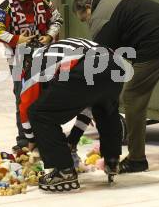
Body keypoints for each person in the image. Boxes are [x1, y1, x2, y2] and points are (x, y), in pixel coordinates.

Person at [72, 0, 159, 173]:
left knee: (132, 96)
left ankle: (136, 159)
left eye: (83, 19)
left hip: (158, 42)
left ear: (88, 9)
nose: (87, 23)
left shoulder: (99, 19)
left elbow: (102, 66)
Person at [17, 37, 125, 191]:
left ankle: (64, 171)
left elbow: (25, 107)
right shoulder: (59, 49)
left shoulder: (36, 61)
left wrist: (32, 140)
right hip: (115, 63)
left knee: (38, 113)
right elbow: (87, 103)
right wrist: (73, 138)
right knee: (105, 107)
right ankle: (112, 160)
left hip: (87, 65)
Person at [0, 0, 63, 150]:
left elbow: (57, 20)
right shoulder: (4, 7)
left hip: (44, 58)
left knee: (46, 96)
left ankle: (47, 136)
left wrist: (50, 36)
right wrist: (16, 39)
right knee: (22, 98)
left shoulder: (43, 1)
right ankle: (23, 140)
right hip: (18, 61)